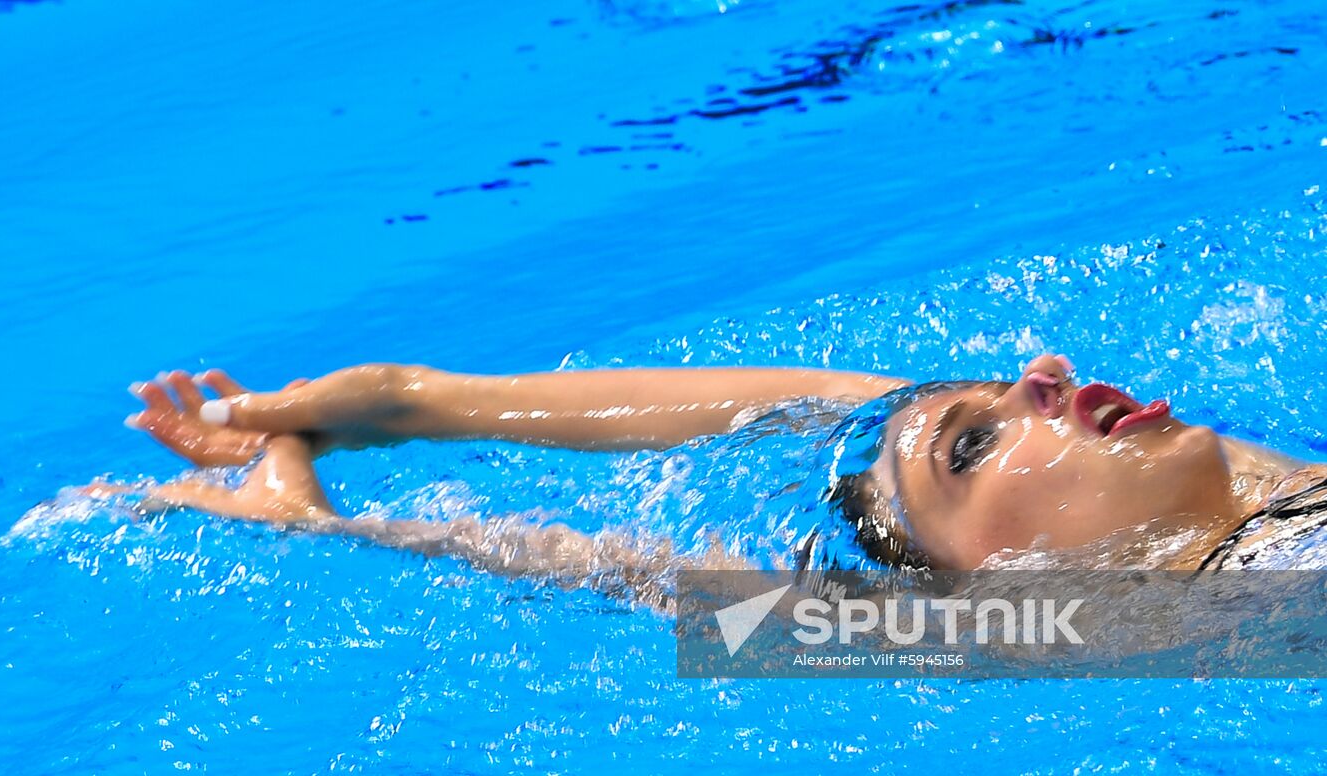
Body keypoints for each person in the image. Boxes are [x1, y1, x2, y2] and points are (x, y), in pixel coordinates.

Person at [106, 355, 1326, 608]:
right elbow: (680, 584)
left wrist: (419, 399)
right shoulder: (1125, 618)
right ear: (991, 583)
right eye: (978, 443)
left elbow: (853, 401)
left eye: (1011, 395)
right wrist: (342, 527)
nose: (1044, 372)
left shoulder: (1256, 500)